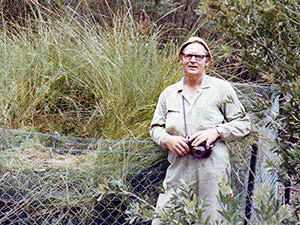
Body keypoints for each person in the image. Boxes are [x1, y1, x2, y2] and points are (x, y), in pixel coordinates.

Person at [150, 37, 251, 224]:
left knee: (213, 219)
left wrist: (216, 132)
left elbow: (244, 123)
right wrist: (167, 140)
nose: (193, 60)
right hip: (178, 169)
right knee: (165, 219)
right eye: (188, 56)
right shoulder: (169, 93)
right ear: (181, 58)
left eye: (198, 56)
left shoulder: (222, 89)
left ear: (207, 60)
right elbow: (155, 128)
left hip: (212, 171)